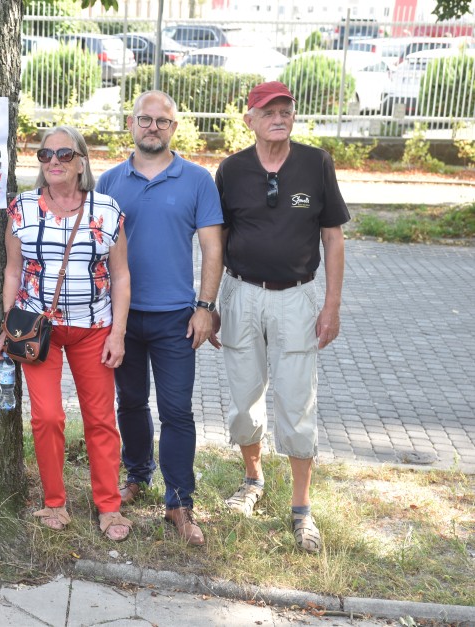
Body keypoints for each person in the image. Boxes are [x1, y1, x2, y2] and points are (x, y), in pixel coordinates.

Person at [212, 81, 349, 553]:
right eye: (268, 110)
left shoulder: (316, 164)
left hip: (297, 298)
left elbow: (333, 238)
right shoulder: (230, 169)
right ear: (248, 119)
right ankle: (252, 481)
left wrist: (330, 306)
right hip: (241, 294)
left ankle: (301, 509)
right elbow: (216, 241)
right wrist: (209, 306)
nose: (279, 116)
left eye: (286, 109)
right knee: (242, 399)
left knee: (296, 402)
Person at [95, 90, 223, 547]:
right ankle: (138, 475)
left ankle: (180, 501)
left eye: (162, 122)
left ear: (174, 128)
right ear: (130, 124)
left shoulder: (196, 180)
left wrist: (205, 307)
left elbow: (212, 248)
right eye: (144, 120)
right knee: (129, 404)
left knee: (176, 411)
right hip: (121, 319)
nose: (152, 127)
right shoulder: (109, 182)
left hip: (175, 319)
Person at [0, 125, 133, 542]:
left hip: (94, 329)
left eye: (64, 155)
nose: (53, 161)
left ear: (82, 161)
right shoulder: (21, 208)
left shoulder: (106, 209)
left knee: (100, 419)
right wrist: (9, 325)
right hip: (39, 331)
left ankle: (109, 506)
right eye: (45, 155)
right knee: (48, 416)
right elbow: (13, 271)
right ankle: (54, 501)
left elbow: (122, 275)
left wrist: (118, 333)